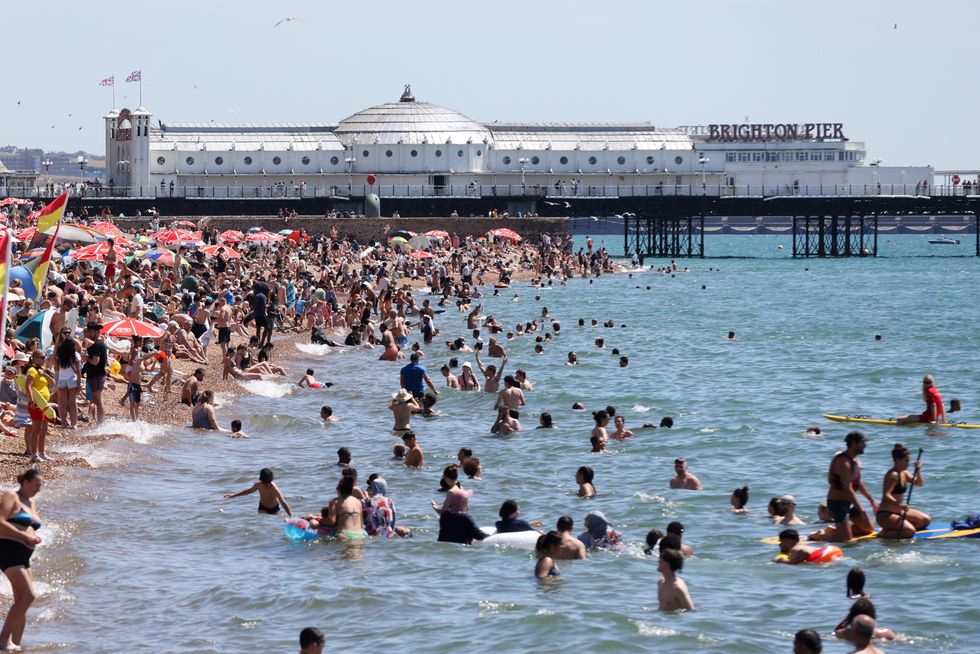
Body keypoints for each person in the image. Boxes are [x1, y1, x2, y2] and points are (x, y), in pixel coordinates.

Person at [0, 469, 43, 651]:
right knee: (29, 596)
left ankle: (17, 645)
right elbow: (0, 522)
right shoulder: (12, 496)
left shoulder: (31, 502)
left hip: (24, 557)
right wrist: (24, 537)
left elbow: (30, 527)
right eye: (37, 484)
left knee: (21, 602)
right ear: (25, 482)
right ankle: (2, 640)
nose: (39, 488)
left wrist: (34, 537)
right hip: (8, 552)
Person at [826, 431, 877, 541]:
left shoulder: (856, 461)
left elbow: (858, 483)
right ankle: (819, 535)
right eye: (863, 442)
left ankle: (837, 530)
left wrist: (870, 499)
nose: (865, 445)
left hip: (848, 503)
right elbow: (847, 488)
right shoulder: (843, 462)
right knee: (845, 538)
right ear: (854, 443)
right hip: (837, 504)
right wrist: (862, 510)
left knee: (868, 529)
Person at [875, 443, 929, 539]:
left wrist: (918, 470)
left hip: (900, 512)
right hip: (886, 514)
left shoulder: (904, 473)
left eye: (909, 461)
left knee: (926, 520)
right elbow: (886, 495)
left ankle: (896, 528)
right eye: (906, 461)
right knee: (910, 531)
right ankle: (883, 534)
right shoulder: (893, 475)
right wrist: (899, 504)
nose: (908, 463)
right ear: (898, 460)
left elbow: (919, 483)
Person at [223, 468, 292, 516]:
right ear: (261, 480)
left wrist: (290, 515)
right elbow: (249, 491)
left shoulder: (274, 488)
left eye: (269, 482)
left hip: (274, 509)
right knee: (261, 524)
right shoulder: (258, 484)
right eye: (265, 483)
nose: (268, 485)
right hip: (262, 508)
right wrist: (234, 495)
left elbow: (283, 502)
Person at [82, 323, 108, 424]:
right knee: (96, 400)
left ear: (97, 332)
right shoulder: (95, 344)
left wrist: (86, 358)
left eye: (91, 331)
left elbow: (95, 361)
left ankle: (101, 422)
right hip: (95, 375)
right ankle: (100, 421)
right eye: (89, 331)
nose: (89, 333)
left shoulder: (97, 345)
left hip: (97, 375)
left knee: (98, 400)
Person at [329, 476, 367, 540]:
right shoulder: (358, 502)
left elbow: (331, 521)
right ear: (352, 490)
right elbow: (362, 524)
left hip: (344, 535)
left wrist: (317, 519)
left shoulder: (334, 502)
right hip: (361, 535)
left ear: (339, 490)